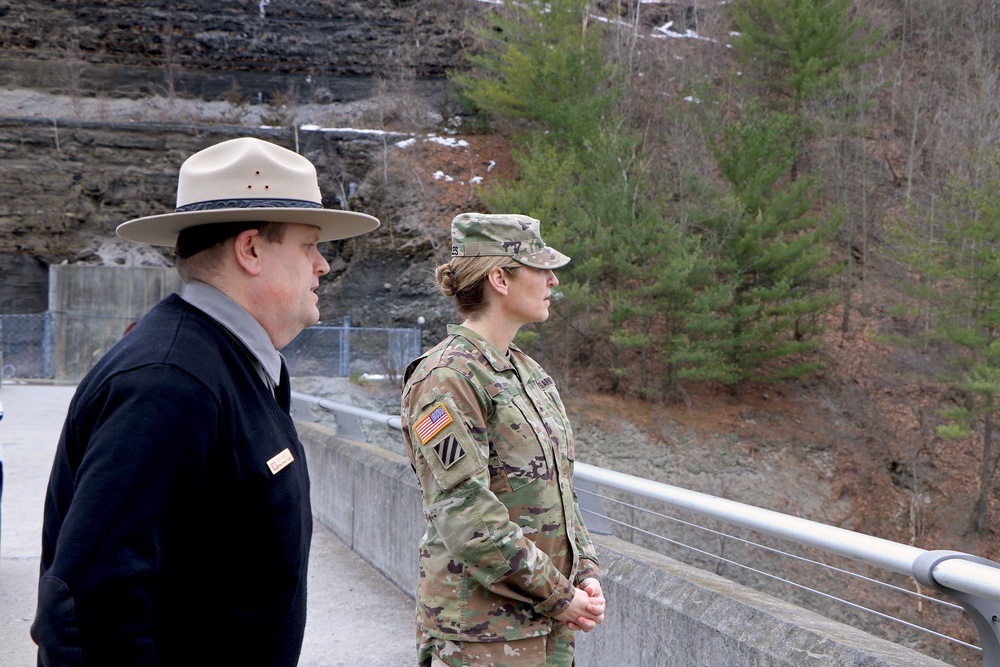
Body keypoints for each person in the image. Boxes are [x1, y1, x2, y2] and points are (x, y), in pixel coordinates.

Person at [30, 136, 379, 666]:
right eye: (309, 245)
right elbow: (90, 608)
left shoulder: (220, 362)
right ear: (252, 250)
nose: (322, 266)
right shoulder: (169, 383)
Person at [400, 213, 605, 667]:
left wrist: (585, 570)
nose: (553, 280)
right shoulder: (446, 379)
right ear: (500, 278)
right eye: (540, 268)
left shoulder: (526, 373)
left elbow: (560, 490)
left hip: (545, 625)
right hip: (481, 635)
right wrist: (558, 593)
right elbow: (466, 512)